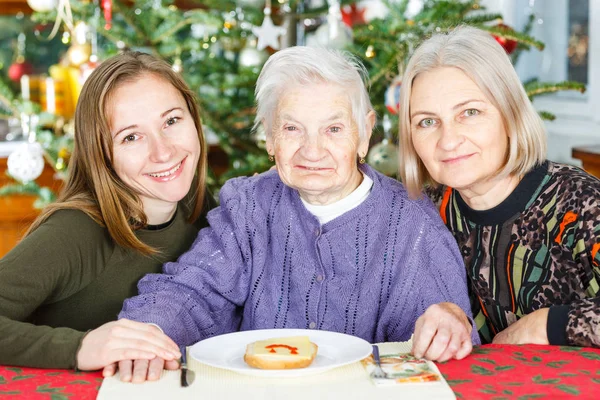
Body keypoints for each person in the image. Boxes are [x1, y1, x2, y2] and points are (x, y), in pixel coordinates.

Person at [113, 46, 480, 382]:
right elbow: (193, 290)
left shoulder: (411, 224)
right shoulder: (250, 207)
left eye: (333, 129)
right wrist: (151, 331)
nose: (312, 151)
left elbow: (446, 338)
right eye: (292, 129)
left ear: (364, 133)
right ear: (271, 139)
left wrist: (447, 323)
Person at [0, 52, 213, 377]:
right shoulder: (76, 231)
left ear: (194, 119)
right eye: (131, 137)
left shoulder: (199, 205)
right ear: (102, 154)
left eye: (171, 121)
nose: (163, 151)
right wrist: (79, 347)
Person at [398, 25, 600, 348]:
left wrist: (545, 325)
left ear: (509, 114)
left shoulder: (580, 204)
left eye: (470, 112)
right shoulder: (427, 211)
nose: (448, 141)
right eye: (427, 121)